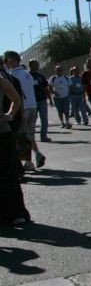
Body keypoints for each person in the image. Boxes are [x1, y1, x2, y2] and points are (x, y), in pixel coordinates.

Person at [3, 51, 44, 171]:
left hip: (23, 107)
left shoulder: (13, 74)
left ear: (12, 60)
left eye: (6, 60)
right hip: (32, 106)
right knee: (29, 134)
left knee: (22, 136)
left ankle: (28, 161)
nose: (5, 63)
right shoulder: (27, 73)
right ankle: (37, 154)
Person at [0, 68, 29, 226]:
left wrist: (10, 115)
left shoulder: (1, 79)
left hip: (2, 133)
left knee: (8, 173)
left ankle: (16, 213)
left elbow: (16, 99)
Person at [28, 60, 52, 142]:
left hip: (42, 100)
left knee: (44, 119)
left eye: (38, 64)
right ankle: (31, 138)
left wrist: (50, 99)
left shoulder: (40, 76)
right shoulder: (27, 76)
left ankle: (43, 136)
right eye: (36, 64)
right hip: (32, 101)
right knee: (32, 120)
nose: (38, 66)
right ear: (31, 65)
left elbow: (46, 88)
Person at [82, 58, 91, 122]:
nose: (88, 64)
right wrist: (84, 97)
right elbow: (84, 86)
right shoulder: (85, 74)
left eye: (89, 63)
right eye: (87, 63)